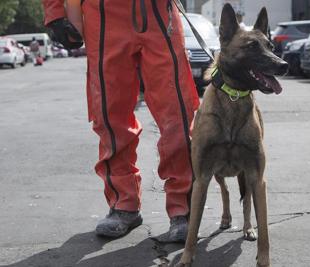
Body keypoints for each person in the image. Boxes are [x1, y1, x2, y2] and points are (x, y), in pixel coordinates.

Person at [42, 0, 199, 242]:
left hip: (158, 11)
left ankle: (184, 209)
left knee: (177, 112)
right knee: (109, 114)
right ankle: (124, 204)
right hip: (103, 14)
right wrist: (54, 13)